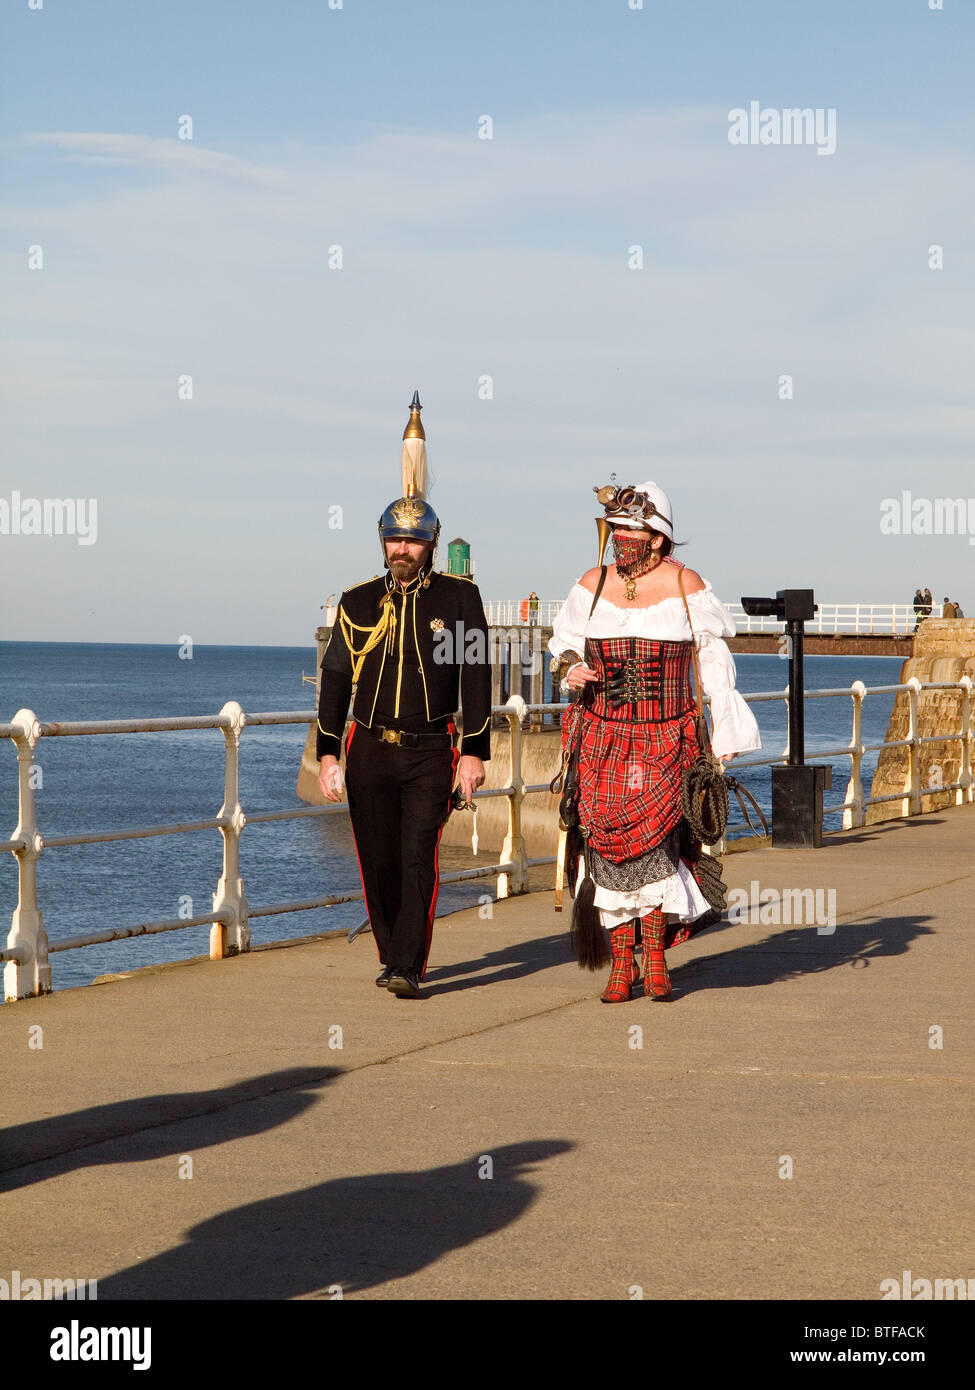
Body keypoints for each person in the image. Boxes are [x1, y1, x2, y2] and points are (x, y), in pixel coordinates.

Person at [550, 480, 760, 1003]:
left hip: (667, 737)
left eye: (632, 529)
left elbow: (714, 662)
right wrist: (572, 667)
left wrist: (726, 731)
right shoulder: (591, 583)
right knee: (605, 849)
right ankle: (621, 965)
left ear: (659, 538)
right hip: (600, 735)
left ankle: (657, 959)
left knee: (659, 850)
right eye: (617, 527)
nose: (622, 536)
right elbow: (564, 645)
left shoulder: (687, 584)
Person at [316, 495, 491, 998]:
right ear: (382, 542)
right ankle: (391, 954)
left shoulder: (459, 600)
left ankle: (408, 966)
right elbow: (334, 679)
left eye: (413, 540)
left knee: (418, 856)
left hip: (431, 749)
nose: (403, 549)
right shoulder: (358, 601)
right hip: (368, 748)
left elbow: (475, 677)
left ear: (432, 544)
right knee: (378, 860)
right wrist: (330, 753)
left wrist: (475, 752)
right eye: (395, 539)